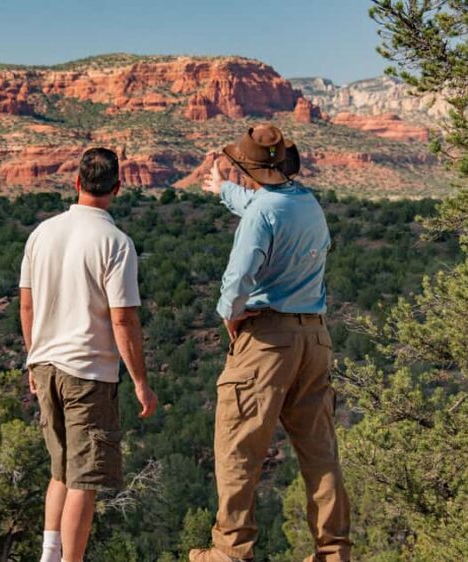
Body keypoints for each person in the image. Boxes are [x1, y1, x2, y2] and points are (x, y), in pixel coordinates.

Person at [189, 124, 351, 562]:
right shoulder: (307, 202)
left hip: (268, 340)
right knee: (319, 451)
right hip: (314, 337)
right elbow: (261, 205)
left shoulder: (262, 213)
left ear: (248, 168)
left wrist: (230, 314)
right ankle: (333, 550)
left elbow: (238, 276)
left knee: (239, 446)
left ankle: (230, 552)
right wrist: (224, 190)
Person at [19, 147, 158, 562]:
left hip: (45, 365)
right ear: (118, 187)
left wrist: (32, 357)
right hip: (88, 372)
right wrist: (140, 381)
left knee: (60, 468)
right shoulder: (116, 243)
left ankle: (49, 555)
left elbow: (26, 305)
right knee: (84, 478)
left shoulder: (42, 233)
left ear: (77, 182)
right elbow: (123, 320)